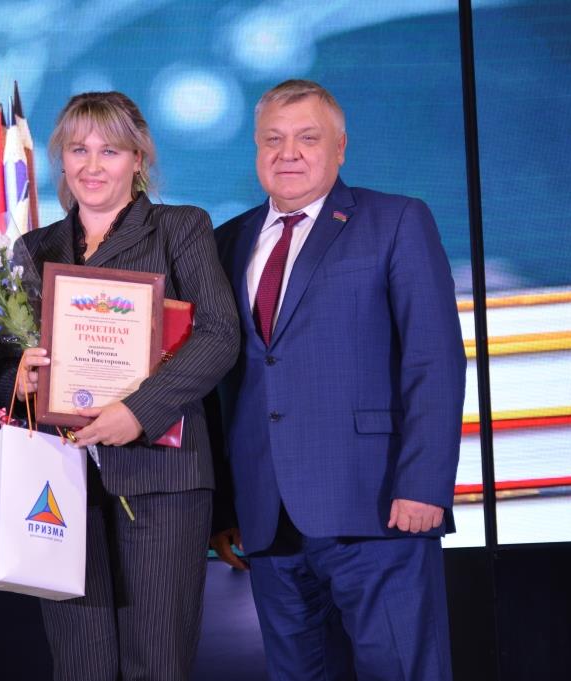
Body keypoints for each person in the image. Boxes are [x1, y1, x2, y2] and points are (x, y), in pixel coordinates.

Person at [209, 79, 466, 681]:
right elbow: (221, 385)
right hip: (267, 522)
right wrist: (225, 506)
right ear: (255, 148)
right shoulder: (228, 241)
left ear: (341, 146)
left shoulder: (396, 220)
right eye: (273, 139)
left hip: (379, 509)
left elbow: (433, 360)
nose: (288, 153)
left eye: (307, 138)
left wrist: (425, 484)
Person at [10, 91, 239, 681]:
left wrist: (138, 411)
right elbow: (3, 364)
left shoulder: (181, 228)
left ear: (138, 158)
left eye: (109, 151)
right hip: (61, 483)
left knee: (157, 662)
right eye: (78, 150)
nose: (92, 166)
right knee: (78, 663)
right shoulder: (33, 249)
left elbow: (219, 336)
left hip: (162, 479)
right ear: (61, 159)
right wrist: (19, 377)